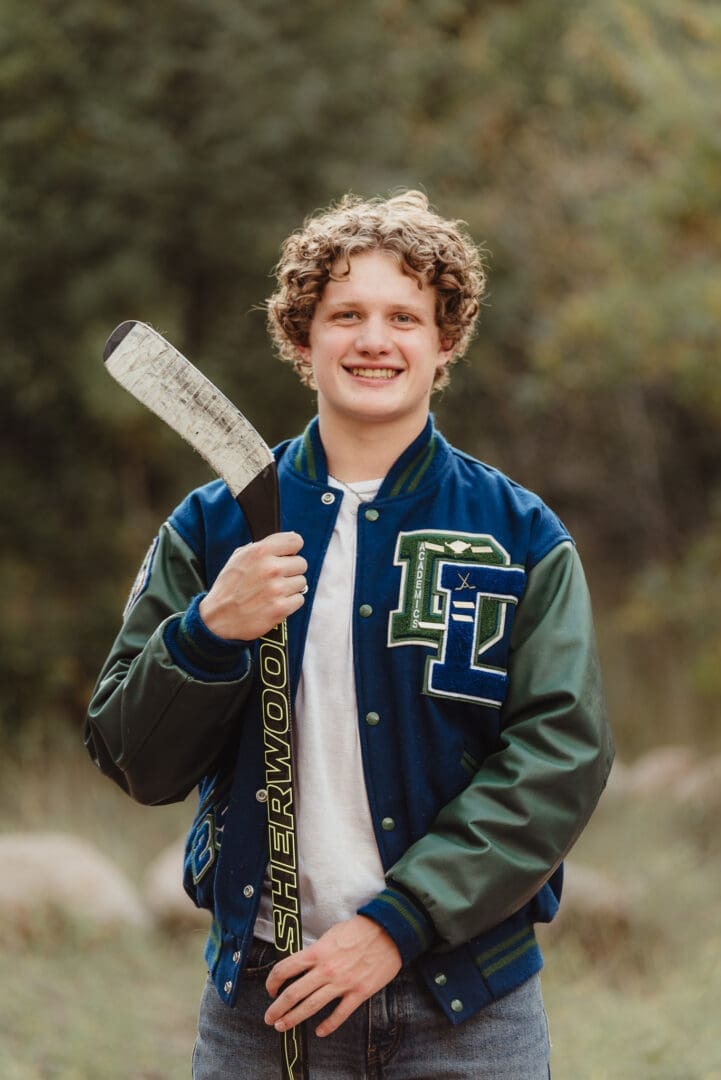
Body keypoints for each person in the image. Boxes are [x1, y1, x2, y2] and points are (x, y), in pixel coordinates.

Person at [86, 190, 613, 1079]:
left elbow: (562, 754)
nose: (375, 339)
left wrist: (397, 924)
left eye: (404, 316)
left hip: (465, 1006)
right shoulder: (212, 529)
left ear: (445, 343)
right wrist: (210, 630)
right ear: (302, 340)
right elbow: (133, 759)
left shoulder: (518, 534)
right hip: (265, 1001)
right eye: (346, 316)